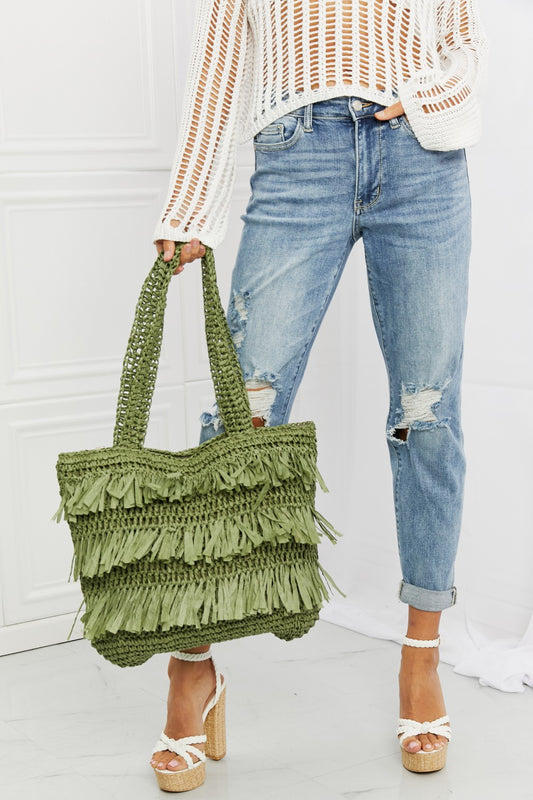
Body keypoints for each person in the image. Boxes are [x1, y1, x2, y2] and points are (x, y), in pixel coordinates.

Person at [149, 0, 489, 790]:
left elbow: (461, 36)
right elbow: (218, 56)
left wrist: (429, 100)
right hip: (297, 150)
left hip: (420, 158)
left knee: (427, 414)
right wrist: (190, 201)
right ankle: (192, 663)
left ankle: (420, 656)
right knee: (238, 420)